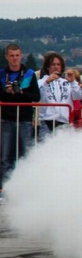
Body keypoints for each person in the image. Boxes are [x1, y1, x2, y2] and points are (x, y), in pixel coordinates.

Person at [0, 44, 40, 187]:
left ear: (21, 56)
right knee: (5, 157)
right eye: (11, 56)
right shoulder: (1, 74)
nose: (14, 58)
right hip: (6, 119)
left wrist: (21, 92)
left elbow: (36, 96)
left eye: (17, 55)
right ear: (6, 57)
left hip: (25, 120)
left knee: (26, 155)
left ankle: (27, 187)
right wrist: (7, 92)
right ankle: (4, 188)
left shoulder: (29, 73)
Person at [36, 52, 82, 138]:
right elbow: (39, 97)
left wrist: (73, 82)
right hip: (47, 121)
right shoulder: (41, 82)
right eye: (53, 64)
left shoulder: (67, 82)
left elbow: (79, 96)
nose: (56, 67)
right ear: (47, 67)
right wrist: (47, 82)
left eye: (58, 64)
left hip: (64, 122)